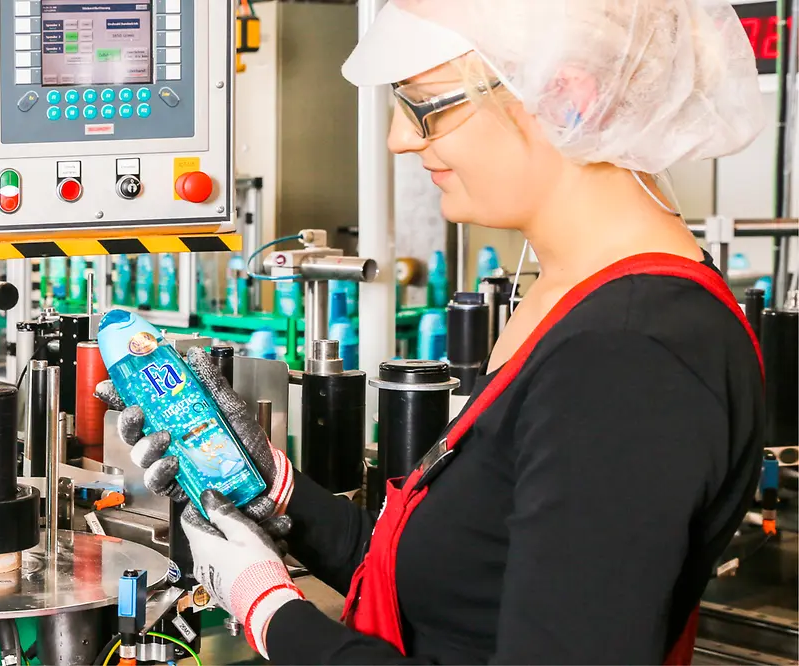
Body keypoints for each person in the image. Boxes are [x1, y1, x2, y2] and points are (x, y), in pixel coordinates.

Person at [98, 0, 768, 662]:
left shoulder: (630, 357)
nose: (400, 137)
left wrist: (266, 607)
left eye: (429, 104)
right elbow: (454, 582)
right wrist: (272, 485)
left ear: (568, 101)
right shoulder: (578, 299)